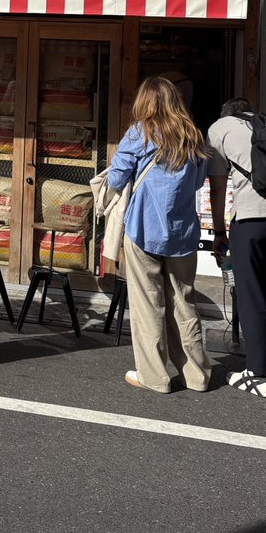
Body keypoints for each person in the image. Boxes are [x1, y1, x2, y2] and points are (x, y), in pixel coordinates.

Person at [108, 75, 212, 393]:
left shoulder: (140, 132)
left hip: (143, 228)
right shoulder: (193, 135)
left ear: (145, 100)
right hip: (181, 232)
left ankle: (154, 376)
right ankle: (198, 376)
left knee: (148, 303)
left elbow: (116, 179)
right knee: (184, 302)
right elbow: (196, 184)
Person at [207, 98, 266, 398]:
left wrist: (219, 231)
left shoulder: (220, 128)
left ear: (225, 113)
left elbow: (218, 186)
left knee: (252, 295)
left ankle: (258, 372)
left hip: (252, 221)